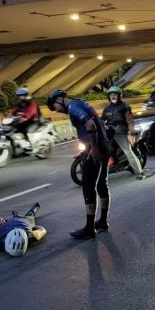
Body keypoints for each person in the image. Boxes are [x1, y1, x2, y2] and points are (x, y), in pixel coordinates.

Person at [47, 89, 111, 238]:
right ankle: (102, 221)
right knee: (102, 183)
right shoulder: (81, 102)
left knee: (88, 186)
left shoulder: (73, 108)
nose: (57, 111)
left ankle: (89, 229)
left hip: (96, 148)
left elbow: (90, 125)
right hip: (105, 144)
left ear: (59, 100)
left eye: (54, 107)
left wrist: (93, 148)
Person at [101, 85, 146, 180]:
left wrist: (131, 133)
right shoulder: (107, 109)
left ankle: (140, 172)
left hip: (121, 133)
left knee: (128, 152)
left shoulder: (125, 107)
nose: (113, 96)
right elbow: (101, 121)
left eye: (115, 95)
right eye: (111, 95)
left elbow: (130, 121)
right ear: (108, 97)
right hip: (110, 132)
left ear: (119, 96)